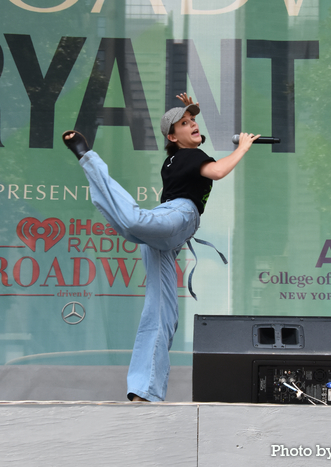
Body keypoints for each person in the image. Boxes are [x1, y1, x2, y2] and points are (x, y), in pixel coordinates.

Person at [63, 93, 260, 402]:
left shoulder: (182, 157)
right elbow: (219, 172)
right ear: (172, 136)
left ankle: (145, 389)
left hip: (171, 225)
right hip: (174, 217)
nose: (193, 124)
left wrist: (192, 106)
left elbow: (198, 150)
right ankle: (88, 158)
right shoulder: (191, 156)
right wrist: (243, 147)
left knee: (160, 309)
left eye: (194, 120)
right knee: (132, 224)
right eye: (185, 123)